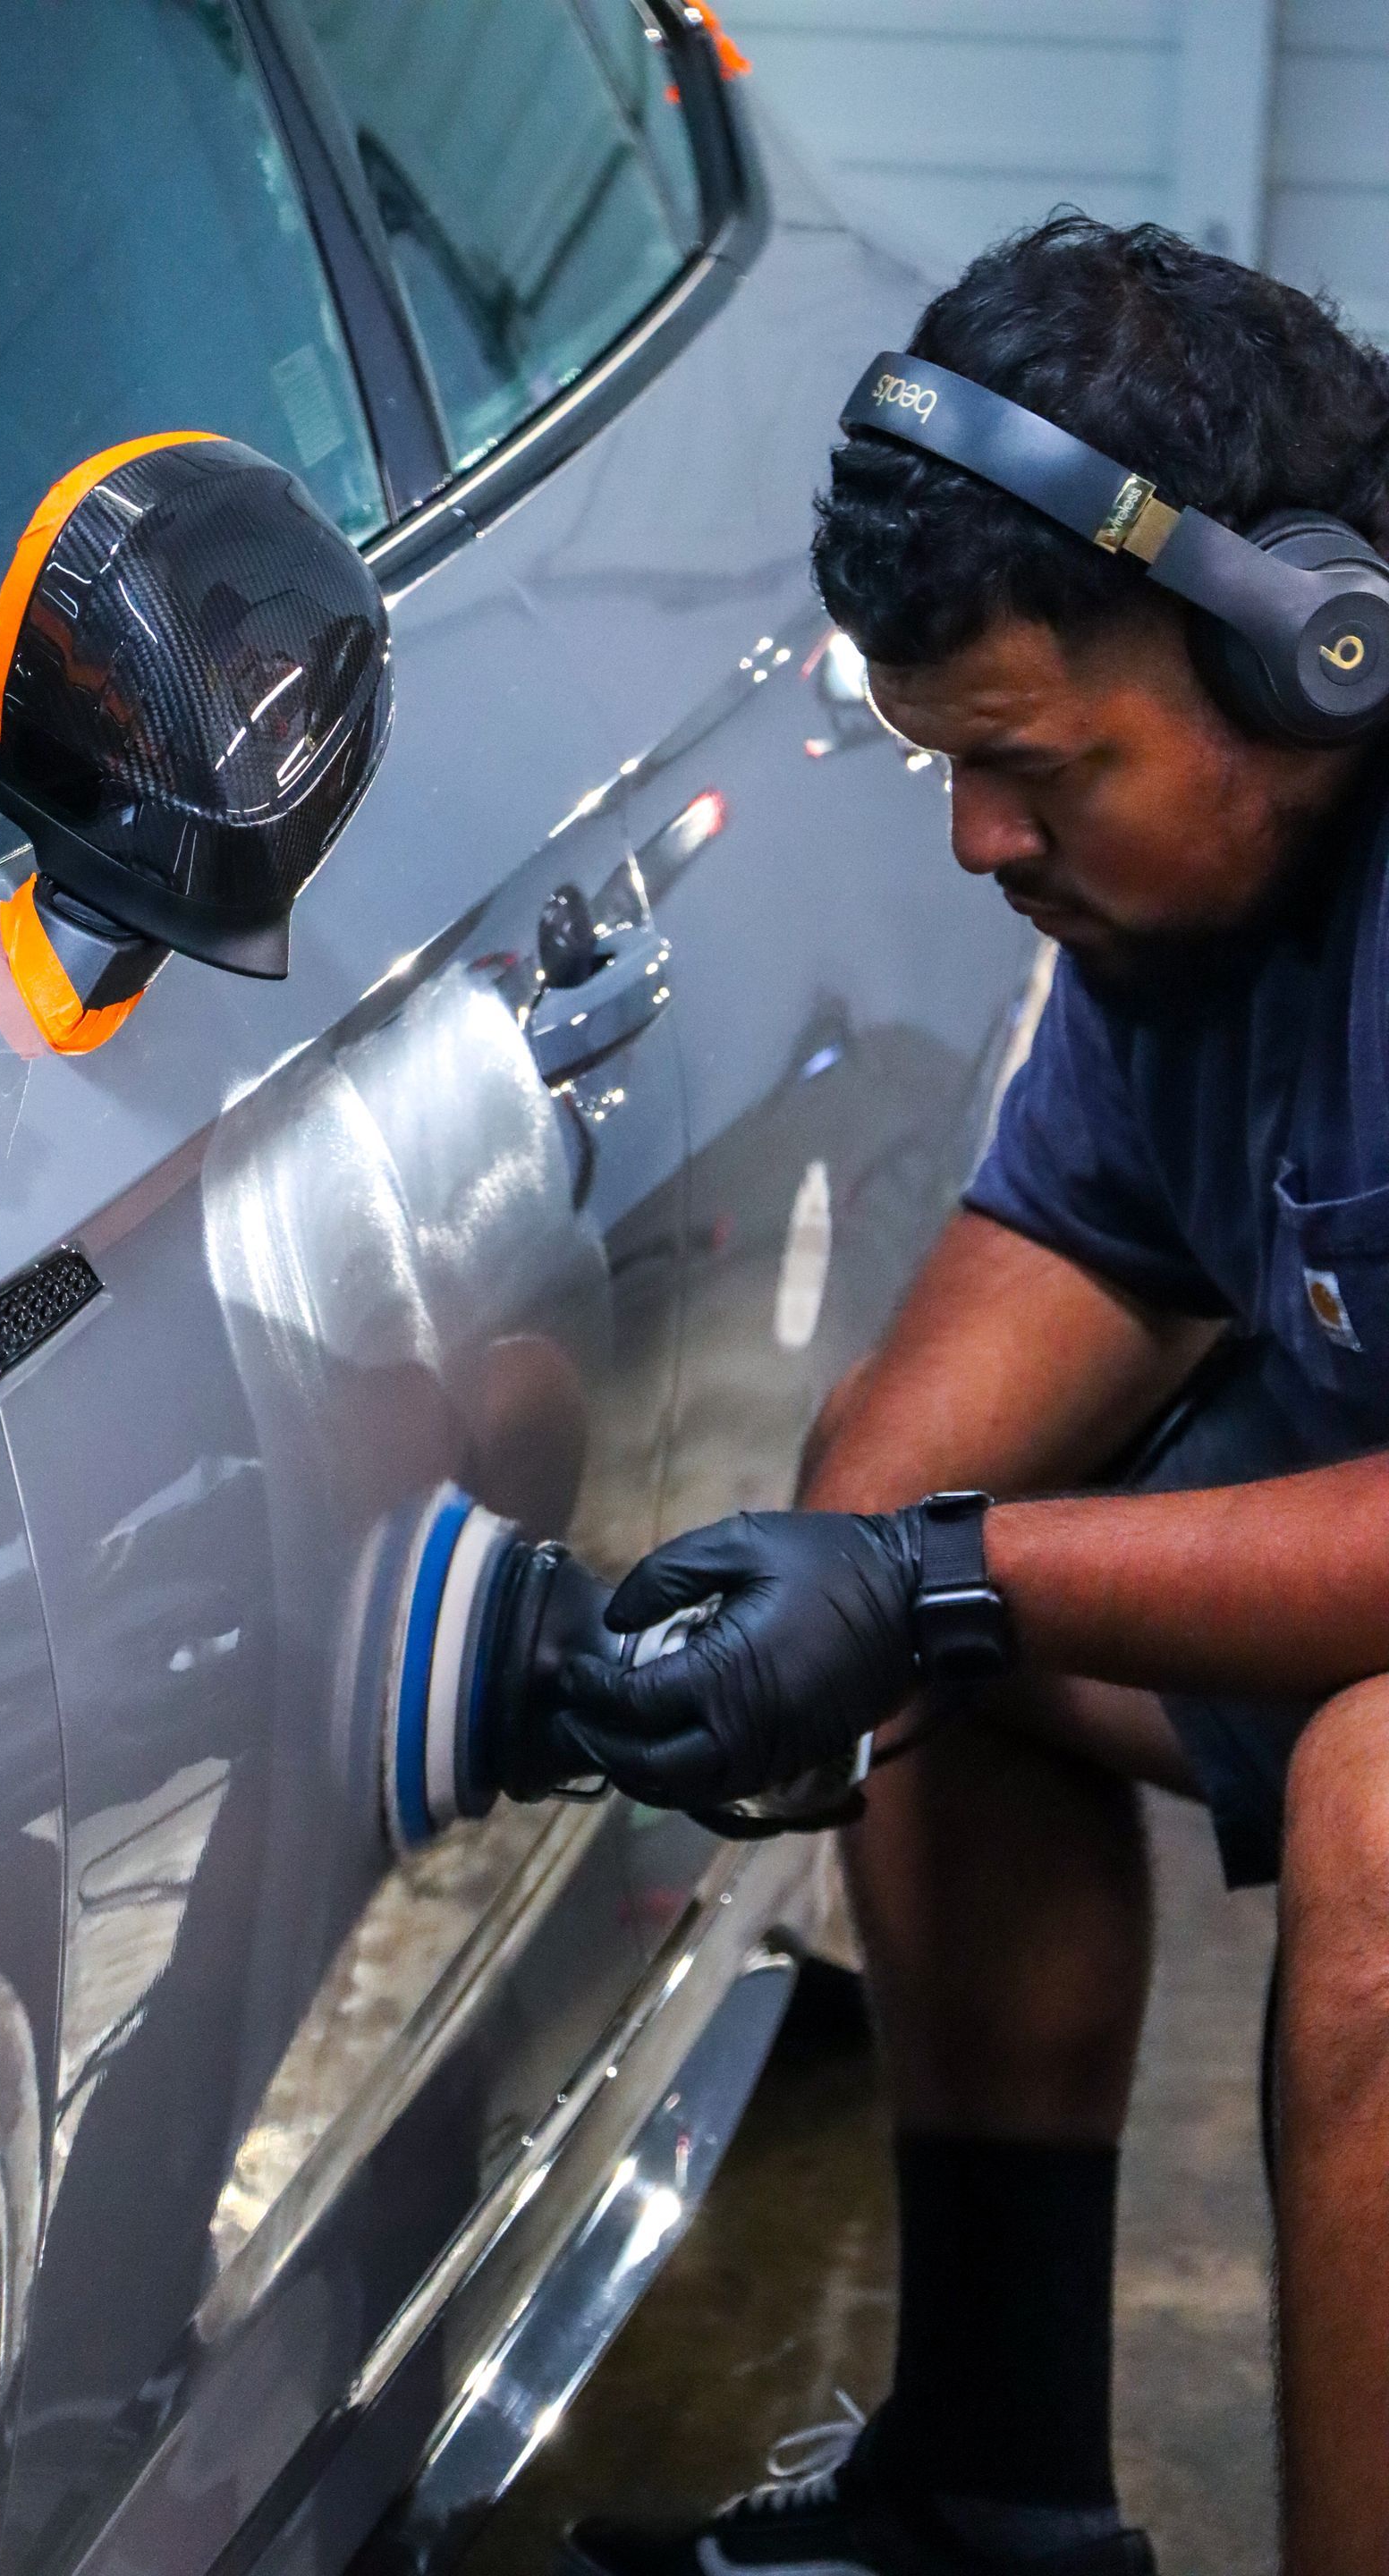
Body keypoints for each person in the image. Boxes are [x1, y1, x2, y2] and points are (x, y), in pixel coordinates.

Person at [555, 216, 1389, 2576]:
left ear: (1315, 658)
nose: (979, 841)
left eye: (1030, 769)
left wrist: (931, 1582)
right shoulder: (1186, 907)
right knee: (920, 1605)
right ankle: (993, 2504)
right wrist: (805, 1611)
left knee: (1380, 1819)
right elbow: (995, 1372)